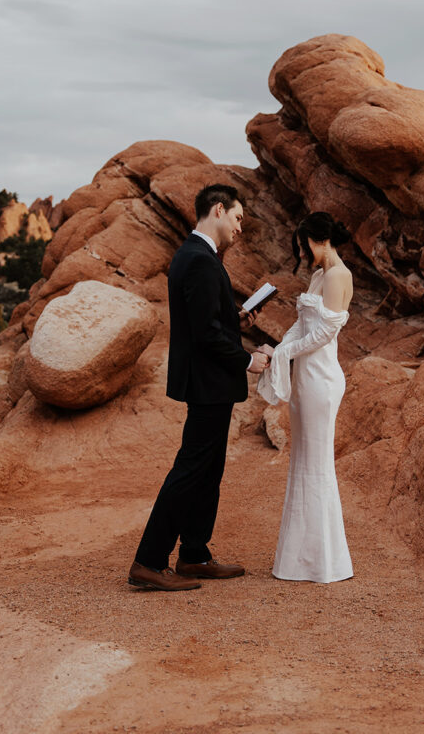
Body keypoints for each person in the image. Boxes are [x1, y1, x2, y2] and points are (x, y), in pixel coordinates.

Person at [129, 184, 270, 592]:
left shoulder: (196, 256)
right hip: (209, 383)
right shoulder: (201, 260)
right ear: (219, 210)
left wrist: (236, 318)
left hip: (209, 383)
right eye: (239, 218)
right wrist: (248, 360)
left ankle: (193, 554)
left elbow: (207, 319)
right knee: (192, 469)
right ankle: (150, 561)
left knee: (208, 470)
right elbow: (205, 333)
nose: (239, 228)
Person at [258, 211, 354, 583]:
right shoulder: (318, 275)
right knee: (303, 462)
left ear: (317, 239)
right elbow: (303, 325)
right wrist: (280, 346)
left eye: (305, 245)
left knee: (317, 464)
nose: (305, 253)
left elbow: (323, 336)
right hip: (305, 377)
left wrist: (284, 354)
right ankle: (299, 560)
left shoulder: (338, 275)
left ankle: (324, 563)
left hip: (321, 378)